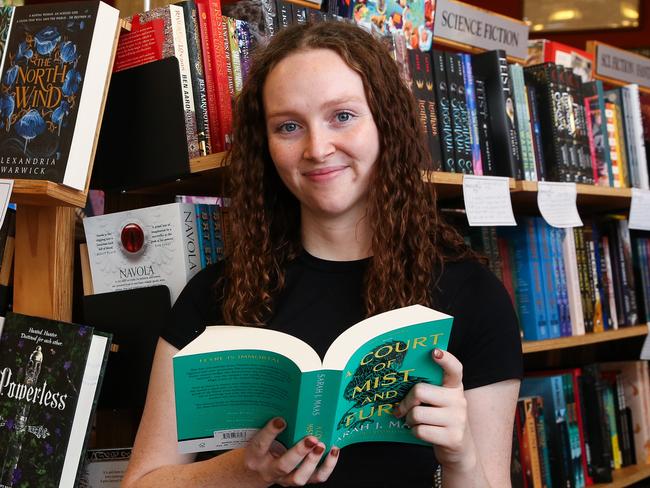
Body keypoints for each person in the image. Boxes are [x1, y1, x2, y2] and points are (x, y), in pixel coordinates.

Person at [122, 20, 522, 488]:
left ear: (385, 124)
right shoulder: (212, 295)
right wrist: (241, 471)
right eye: (288, 126)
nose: (317, 148)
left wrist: (461, 458)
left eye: (343, 116)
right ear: (265, 147)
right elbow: (140, 482)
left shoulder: (473, 297)